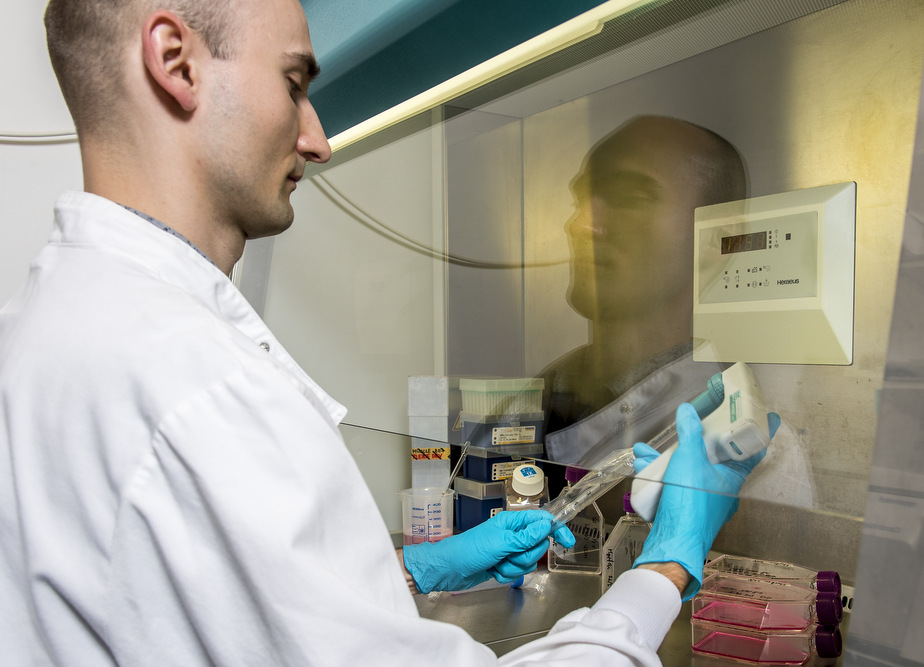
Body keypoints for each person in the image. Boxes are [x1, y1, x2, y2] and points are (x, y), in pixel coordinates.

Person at [0, 1, 776, 665]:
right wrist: (665, 568)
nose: (319, 139)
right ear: (175, 60)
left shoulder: (55, 321)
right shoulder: (199, 385)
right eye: (294, 84)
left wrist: (416, 571)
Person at [540, 116, 749, 468]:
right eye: (581, 200)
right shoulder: (538, 398)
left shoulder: (742, 443)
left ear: (717, 240)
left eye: (628, 197)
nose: (580, 225)